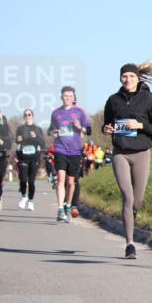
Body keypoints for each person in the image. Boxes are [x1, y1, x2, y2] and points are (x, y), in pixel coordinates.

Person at [102, 61, 152, 259]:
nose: (127, 79)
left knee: (137, 201)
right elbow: (106, 124)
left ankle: (131, 215)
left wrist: (140, 125)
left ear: (138, 78)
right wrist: (106, 129)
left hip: (141, 153)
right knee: (127, 198)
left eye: (131, 76)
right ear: (120, 78)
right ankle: (130, 244)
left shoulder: (150, 99)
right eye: (124, 76)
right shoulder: (113, 100)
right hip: (120, 152)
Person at [48, 86, 91, 223]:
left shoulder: (80, 112)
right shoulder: (56, 113)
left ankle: (68, 205)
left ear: (74, 98)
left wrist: (80, 127)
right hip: (60, 149)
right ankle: (60, 208)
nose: (67, 98)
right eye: (65, 96)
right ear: (61, 97)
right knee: (61, 180)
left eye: (70, 96)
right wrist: (52, 133)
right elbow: (50, 130)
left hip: (75, 150)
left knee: (71, 182)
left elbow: (88, 130)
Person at [14, 109, 45, 211]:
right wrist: (18, 141)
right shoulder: (20, 128)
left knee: (31, 182)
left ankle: (31, 201)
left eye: (29, 114)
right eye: (25, 115)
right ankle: (24, 196)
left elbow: (42, 144)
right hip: (23, 157)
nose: (27, 116)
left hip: (34, 157)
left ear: (33, 116)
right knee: (23, 180)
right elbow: (17, 141)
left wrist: (35, 137)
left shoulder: (38, 129)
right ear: (24, 117)